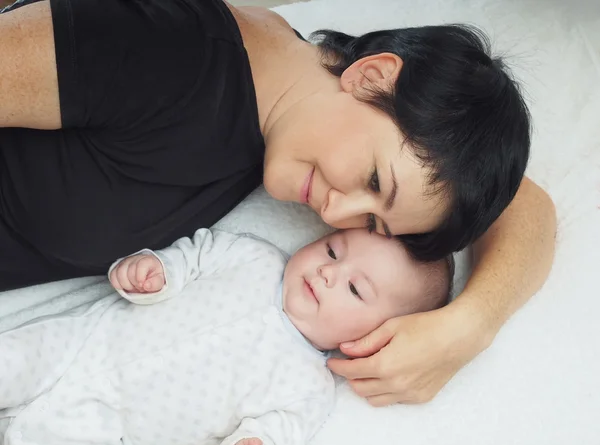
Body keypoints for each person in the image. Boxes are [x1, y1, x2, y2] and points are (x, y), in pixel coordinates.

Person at [0, 0, 556, 404]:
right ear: (371, 77)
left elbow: (523, 206)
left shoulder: (295, 106)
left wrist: (469, 325)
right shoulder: (166, 48)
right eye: (371, 180)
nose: (335, 216)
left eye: (370, 222)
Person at [0, 228, 453, 445]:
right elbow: (190, 257)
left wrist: (254, 444)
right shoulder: (251, 255)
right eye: (333, 249)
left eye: (356, 289)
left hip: (112, 430)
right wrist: (154, 272)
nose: (329, 272)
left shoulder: (308, 387)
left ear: (375, 335)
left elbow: (278, 433)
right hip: (78, 345)